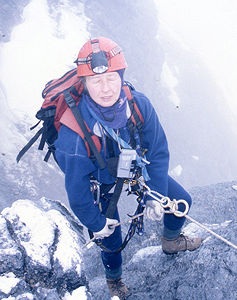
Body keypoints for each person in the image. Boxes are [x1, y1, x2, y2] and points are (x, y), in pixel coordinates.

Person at [54, 37, 202, 299]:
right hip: (100, 180)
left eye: (112, 78)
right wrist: (96, 223)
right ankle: (114, 281)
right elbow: (77, 190)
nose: (106, 89)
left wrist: (155, 196)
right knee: (109, 236)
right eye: (96, 81)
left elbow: (157, 151)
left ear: (121, 76)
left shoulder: (138, 104)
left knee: (181, 200)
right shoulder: (74, 134)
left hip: (133, 168)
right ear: (85, 84)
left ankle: (170, 241)